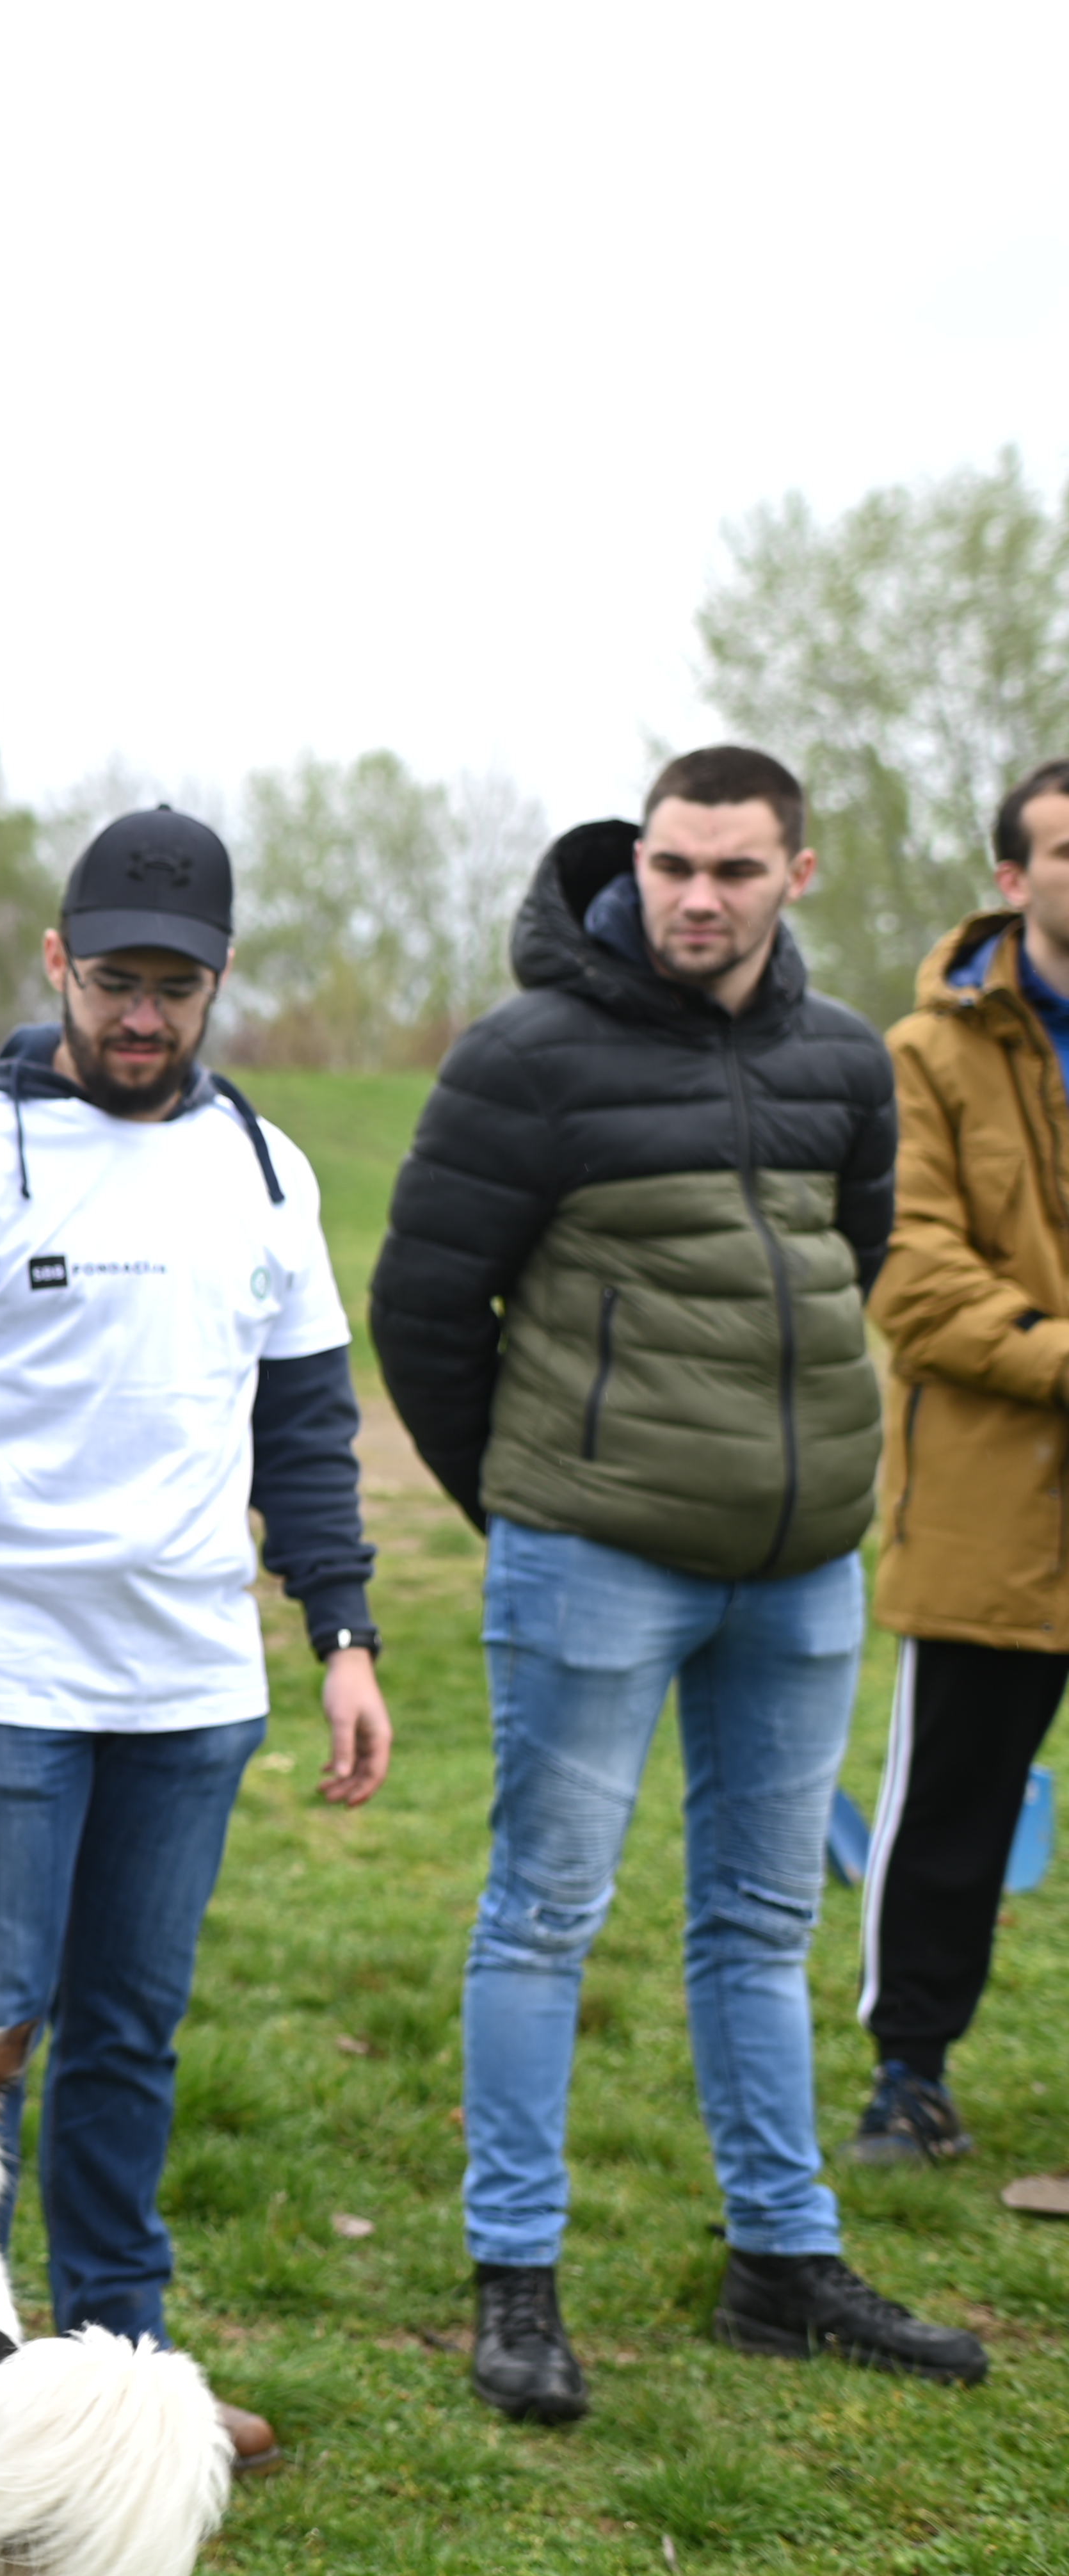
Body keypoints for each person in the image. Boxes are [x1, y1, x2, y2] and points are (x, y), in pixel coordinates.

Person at [370, 744, 987, 2419]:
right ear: (632, 865)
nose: (696, 898)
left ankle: (782, 2266)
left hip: (801, 1579)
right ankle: (517, 2284)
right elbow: (424, 1313)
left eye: (732, 870)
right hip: (593, 1561)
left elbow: (846, 1263)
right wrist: (535, 1505)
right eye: (670, 866)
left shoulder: (847, 1061)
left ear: (798, 874)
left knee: (763, 1927)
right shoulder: (527, 1060)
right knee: (543, 1919)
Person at [0, 807, 387, 2479]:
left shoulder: (268, 1170)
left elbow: (310, 1433)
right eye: (117, 978)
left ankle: (132, 2368)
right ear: (59, 961)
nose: (144, 1015)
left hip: (191, 1691)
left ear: (217, 985)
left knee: (133, 2033)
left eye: (178, 986)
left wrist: (343, 1635)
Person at [853, 756, 1069, 2194]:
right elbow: (913, 1274)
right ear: (1013, 876)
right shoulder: (920, 1056)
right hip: (999, 1498)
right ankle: (909, 2077)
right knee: (954, 1808)